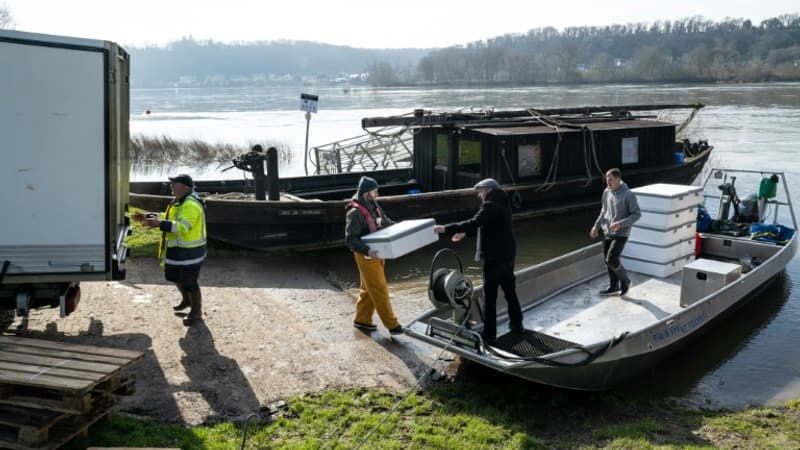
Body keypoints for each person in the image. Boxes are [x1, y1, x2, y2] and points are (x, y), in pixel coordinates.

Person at [433, 178, 524, 343]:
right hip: (508, 254)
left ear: (487, 190)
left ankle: (489, 335)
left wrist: (445, 228)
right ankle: (517, 324)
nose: (479, 195)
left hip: (494, 257)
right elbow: (486, 224)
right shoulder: (502, 201)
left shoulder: (490, 204)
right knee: (510, 291)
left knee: (489, 296)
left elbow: (475, 221)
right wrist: (465, 233)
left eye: (480, 192)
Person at [133, 174, 207, 326]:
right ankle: (186, 301)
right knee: (175, 277)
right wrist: (148, 217)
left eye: (175, 184)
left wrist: (159, 224)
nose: (171, 186)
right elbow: (168, 217)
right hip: (178, 251)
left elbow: (182, 227)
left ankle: (196, 312)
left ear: (185, 187)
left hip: (190, 252)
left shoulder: (190, 205)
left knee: (190, 282)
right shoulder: (178, 201)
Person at [345, 176, 403, 335]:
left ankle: (362, 320)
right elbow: (350, 239)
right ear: (366, 193)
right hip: (366, 256)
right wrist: (367, 251)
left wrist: (399, 228)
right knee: (379, 289)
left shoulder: (373, 204)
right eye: (374, 191)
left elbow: (384, 221)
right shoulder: (354, 212)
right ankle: (393, 325)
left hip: (379, 252)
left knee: (368, 289)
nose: (377, 193)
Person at [590, 168, 641, 296]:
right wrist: (596, 226)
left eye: (611, 180)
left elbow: (636, 214)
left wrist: (620, 224)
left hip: (621, 233)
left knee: (612, 259)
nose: (608, 182)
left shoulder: (628, 195)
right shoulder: (606, 192)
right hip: (608, 232)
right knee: (607, 261)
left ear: (618, 179)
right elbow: (604, 211)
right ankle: (614, 286)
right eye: (607, 179)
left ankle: (626, 281)